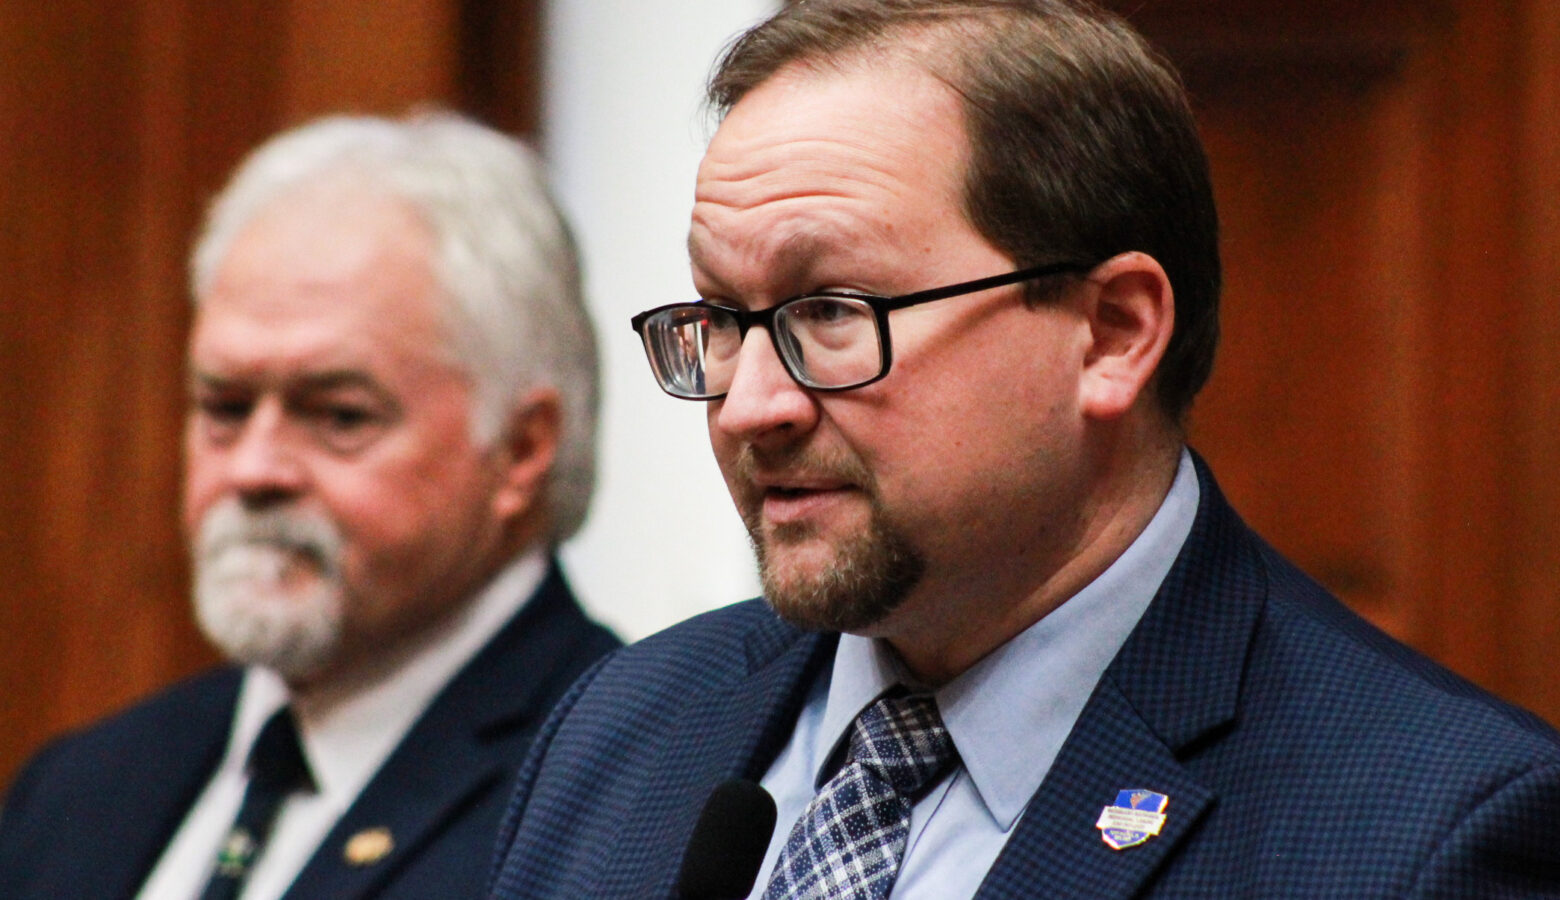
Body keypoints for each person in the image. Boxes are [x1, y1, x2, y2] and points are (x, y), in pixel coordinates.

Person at [486, 2, 1560, 898]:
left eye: (832, 311)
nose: (750, 406)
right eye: (723, 318)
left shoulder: (1428, 832)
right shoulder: (621, 731)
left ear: (1112, 333)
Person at [0, 111, 620, 900]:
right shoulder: (78, 789)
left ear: (523, 449)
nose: (254, 469)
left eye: (339, 415)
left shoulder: (622, 793)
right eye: (223, 407)